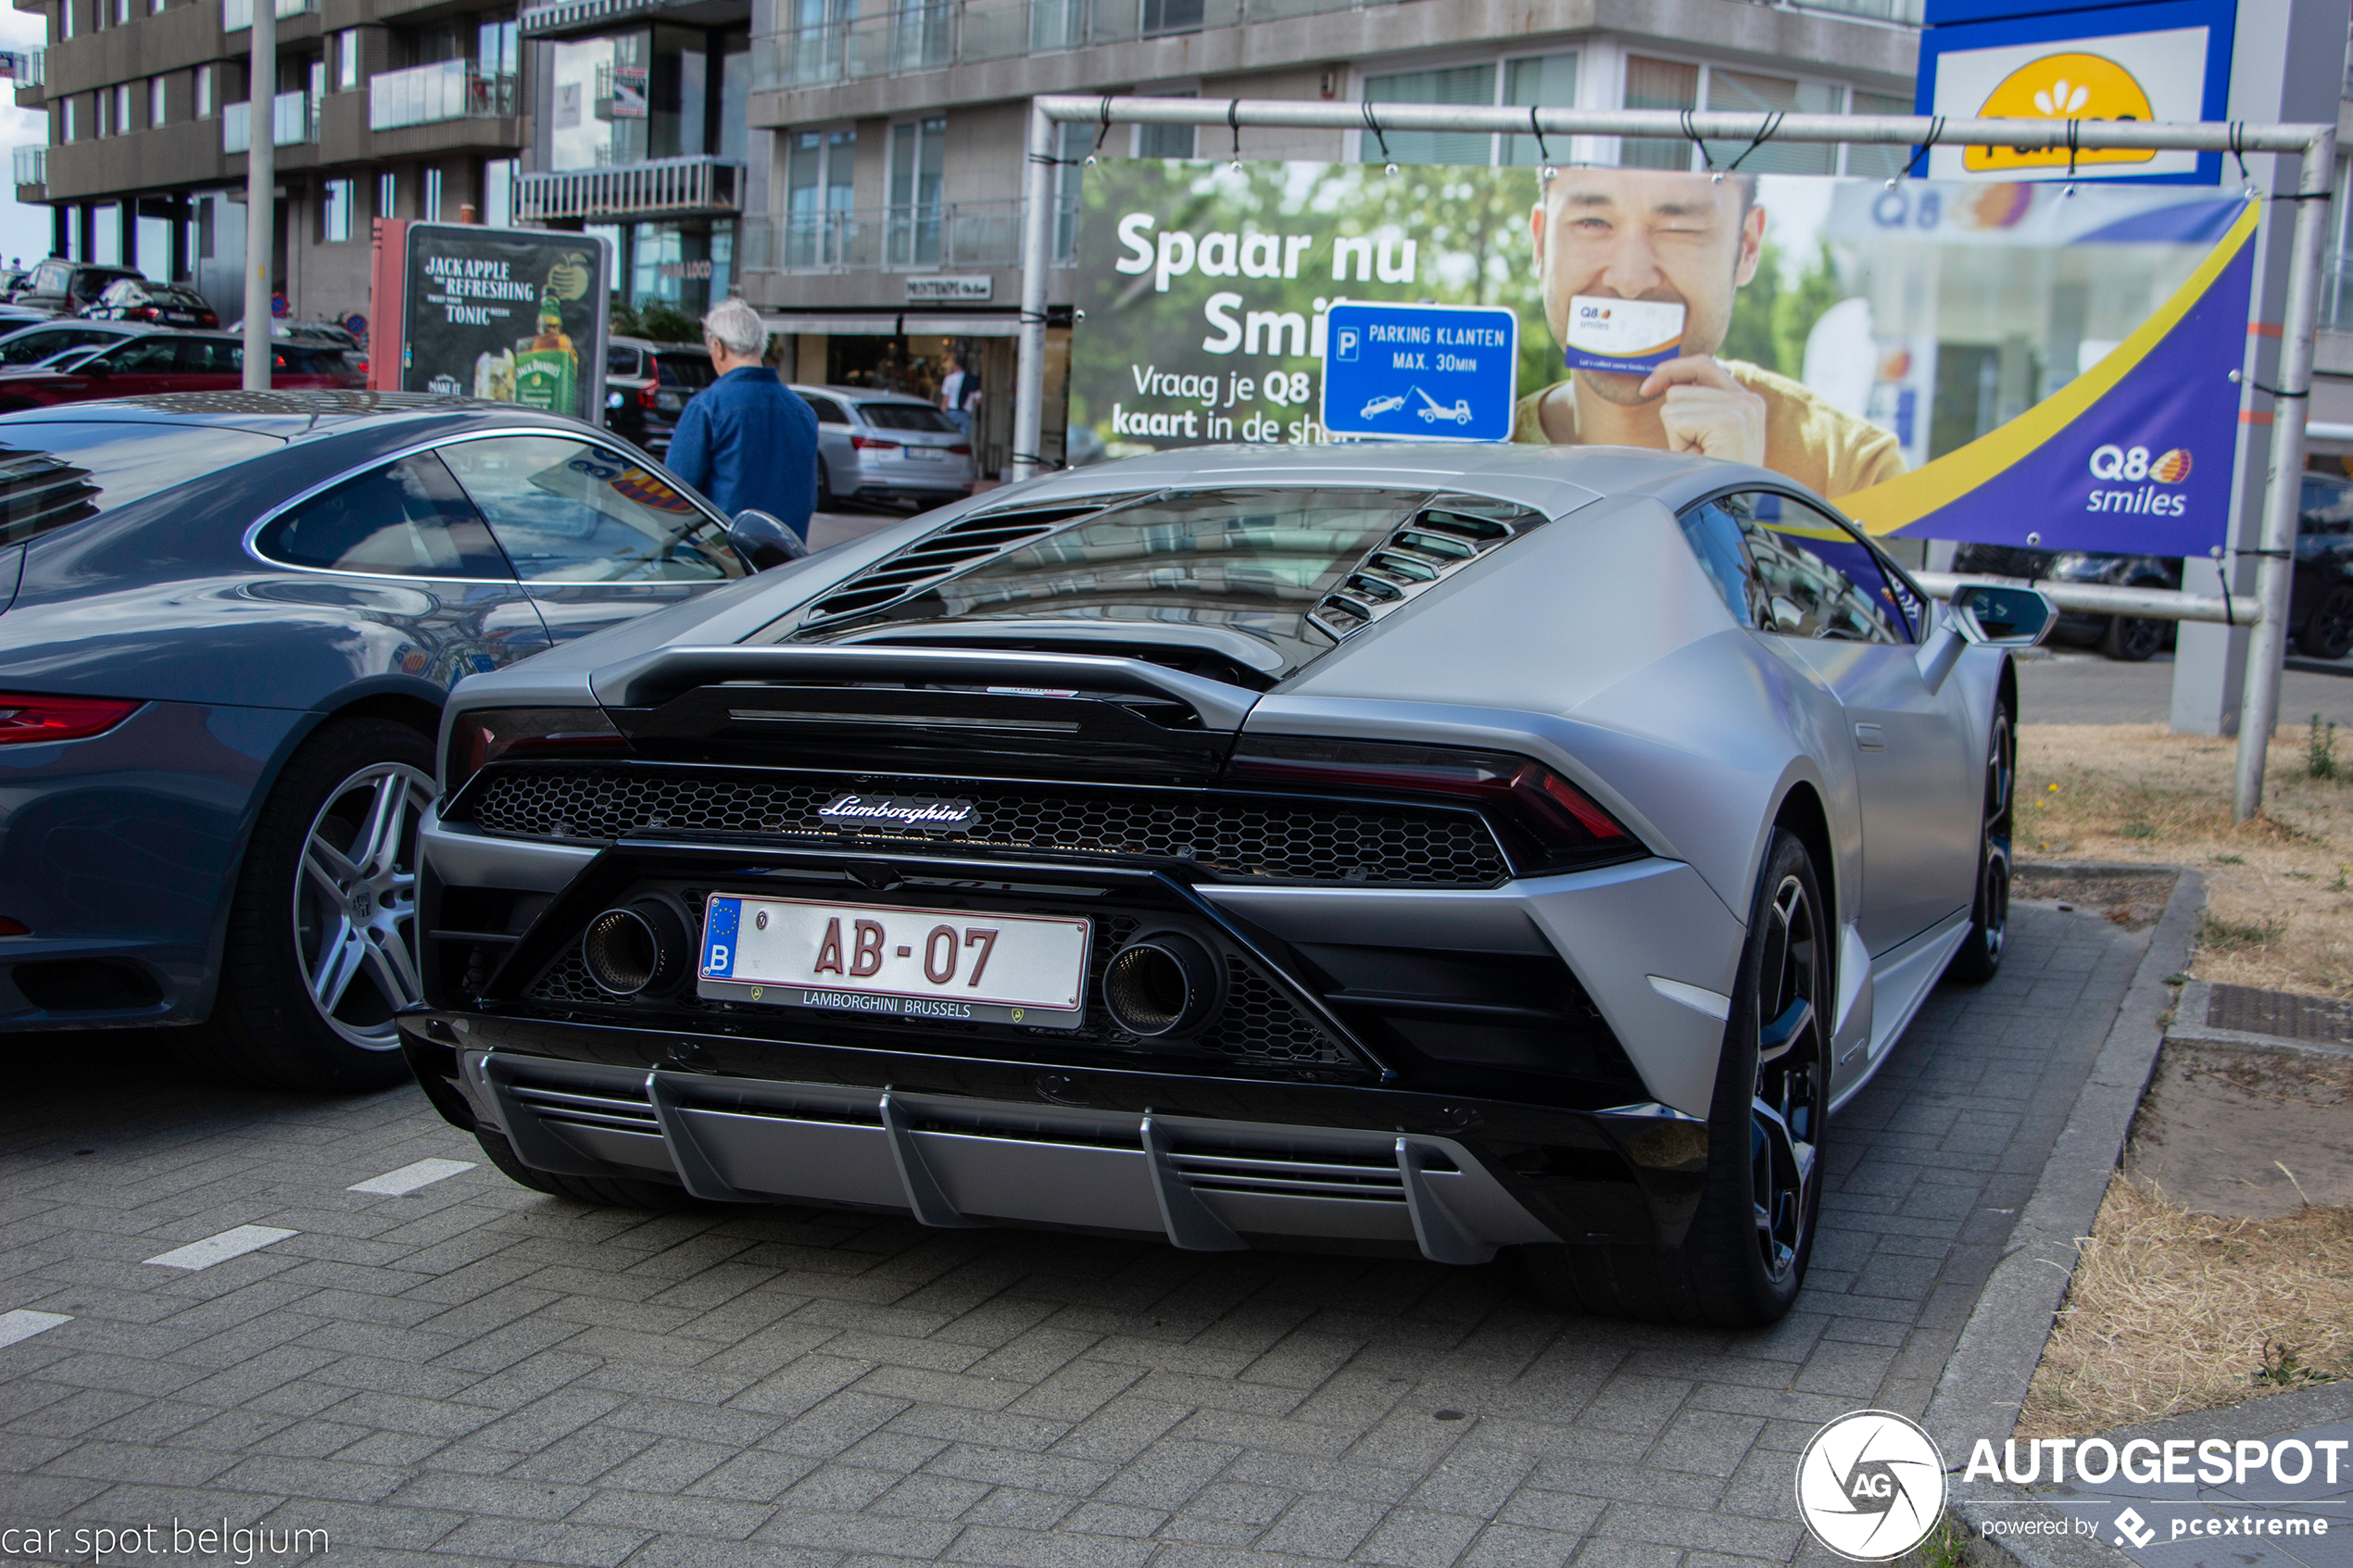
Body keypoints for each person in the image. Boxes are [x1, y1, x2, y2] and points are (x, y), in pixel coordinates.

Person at [1516, 166, 1903, 501]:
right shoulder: (1469, 457)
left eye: (1678, 227)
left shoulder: (1854, 473)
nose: (1629, 280)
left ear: (1747, 247)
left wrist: (1733, 503)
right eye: (1593, 223)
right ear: (1540, 244)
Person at [664, 296, 819, 541]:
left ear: (718, 346)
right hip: (789, 563)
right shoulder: (803, 412)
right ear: (761, 344)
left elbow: (673, 497)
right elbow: (807, 498)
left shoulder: (708, 407)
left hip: (725, 562)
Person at [938, 355, 975, 437]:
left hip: (952, 412)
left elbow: (945, 400)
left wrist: (941, 416)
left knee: (951, 437)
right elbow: (978, 399)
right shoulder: (971, 380)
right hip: (966, 414)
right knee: (962, 439)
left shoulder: (949, 379)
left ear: (957, 366)